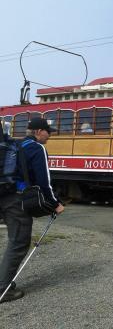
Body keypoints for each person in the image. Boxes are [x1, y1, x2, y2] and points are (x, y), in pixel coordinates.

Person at [0, 118, 64, 303]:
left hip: (2, 193)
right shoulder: (36, 148)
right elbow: (44, 182)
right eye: (47, 131)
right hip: (15, 199)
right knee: (18, 242)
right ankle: (3, 289)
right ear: (38, 131)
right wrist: (55, 204)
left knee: (12, 241)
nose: (49, 135)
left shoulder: (13, 144)